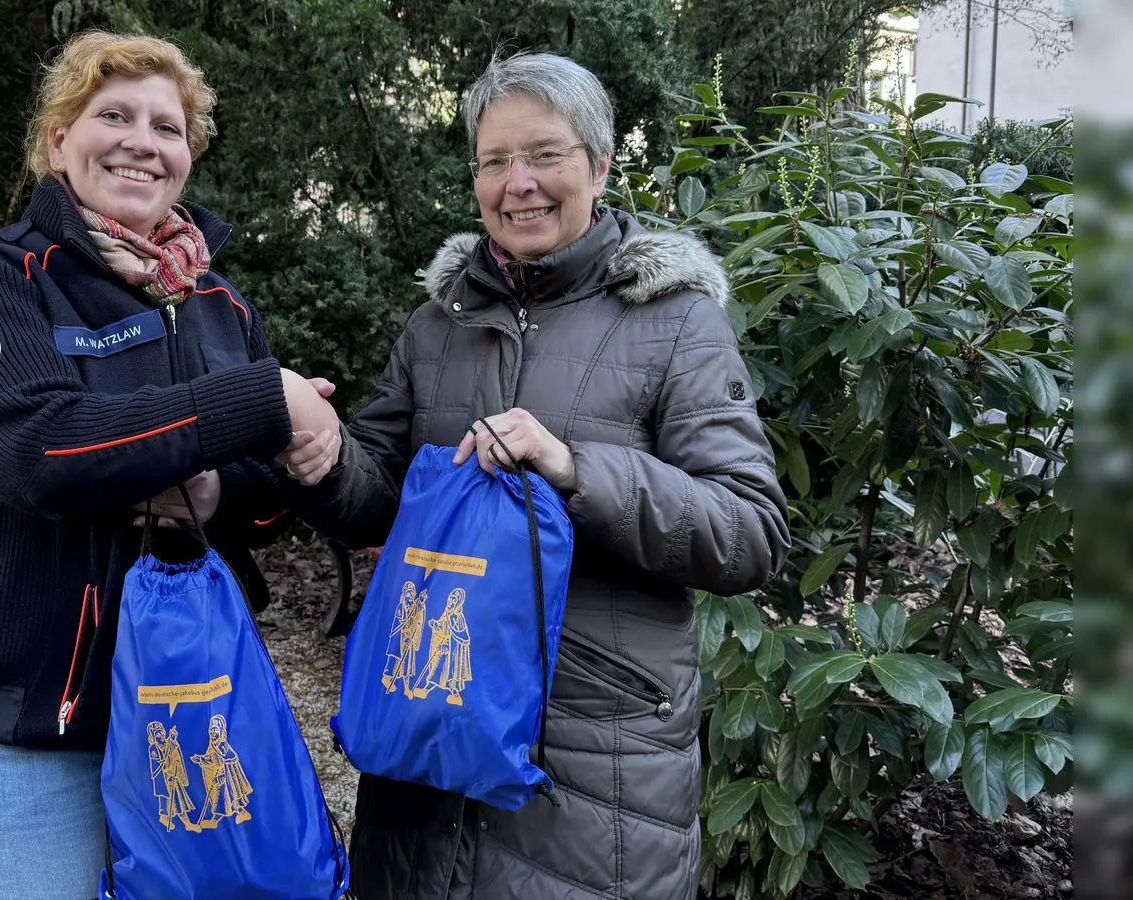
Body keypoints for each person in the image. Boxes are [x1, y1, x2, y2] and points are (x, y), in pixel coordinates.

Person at [278, 51, 791, 899]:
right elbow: (378, 504)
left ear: (600, 164)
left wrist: (574, 468)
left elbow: (748, 534)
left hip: (591, 762)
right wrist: (321, 458)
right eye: (495, 161)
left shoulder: (675, 323)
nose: (519, 183)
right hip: (427, 739)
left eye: (545, 154)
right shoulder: (437, 326)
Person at [0, 31, 335, 899]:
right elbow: (39, 451)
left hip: (192, 703)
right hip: (33, 731)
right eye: (114, 116)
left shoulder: (220, 306)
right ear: (57, 141)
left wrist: (215, 487)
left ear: (188, 157)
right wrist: (256, 402)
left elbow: (266, 502)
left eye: (167, 127)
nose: (143, 142)